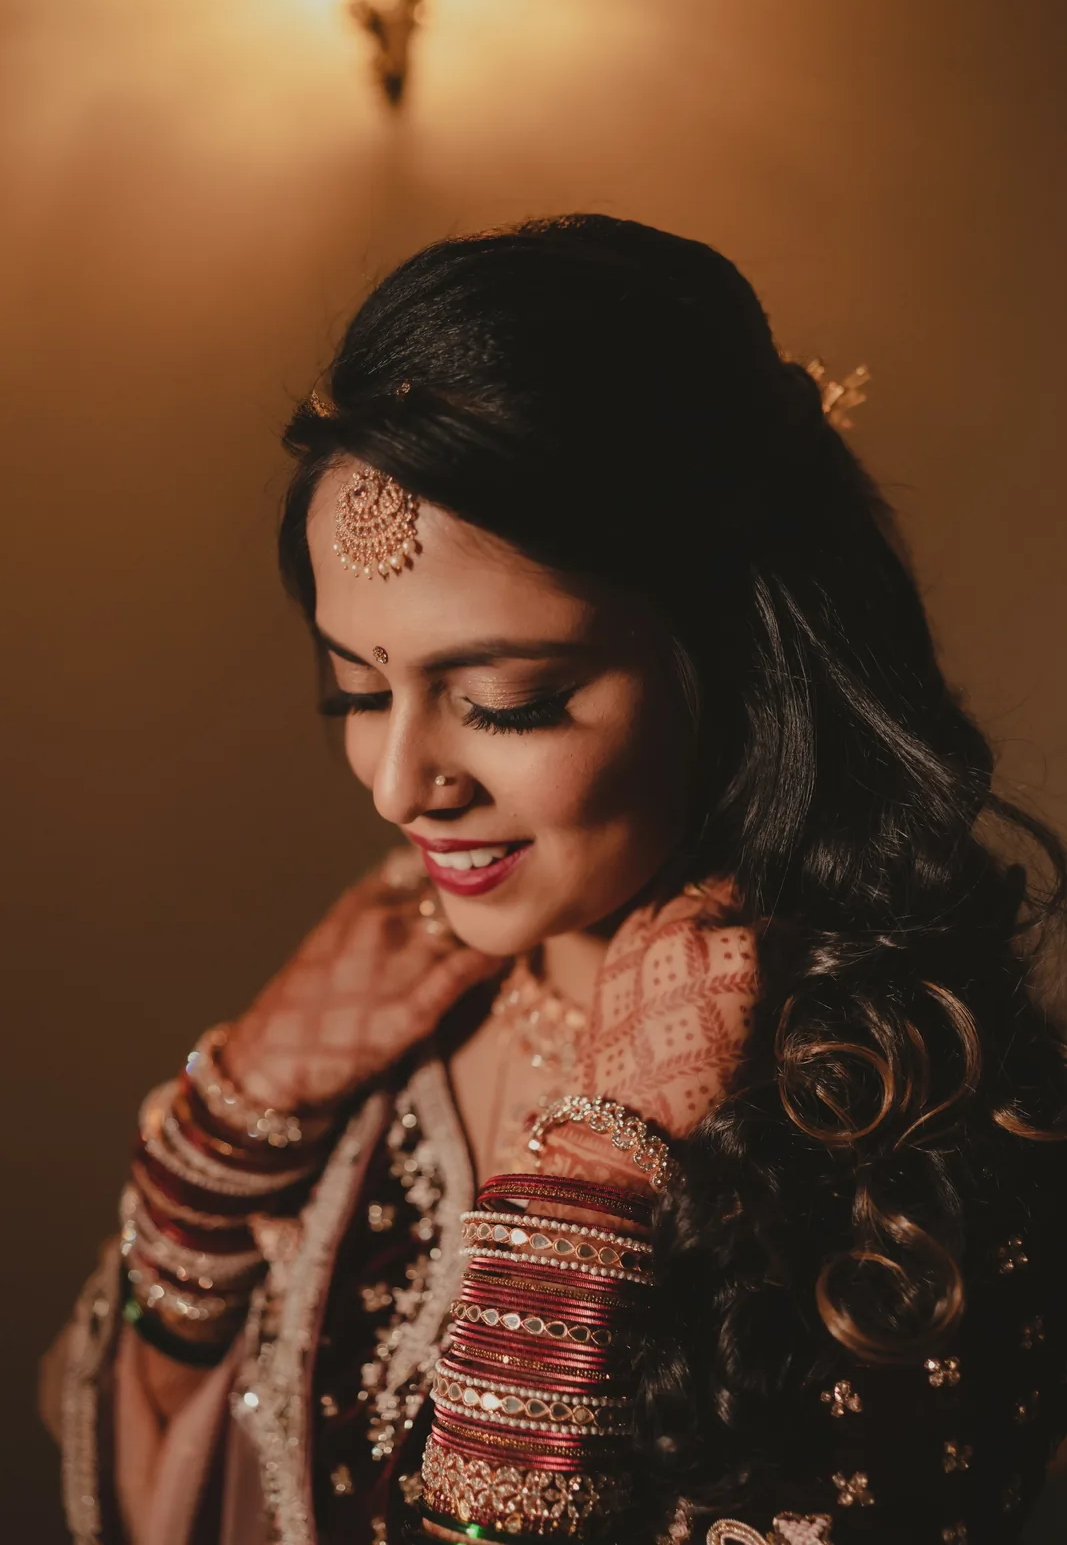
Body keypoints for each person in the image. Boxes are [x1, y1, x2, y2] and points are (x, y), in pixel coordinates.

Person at [44, 214, 1067, 1545]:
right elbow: (134, 1435)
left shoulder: (906, 1130)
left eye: (507, 701)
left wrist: (578, 1242)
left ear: (736, 673)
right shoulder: (387, 1002)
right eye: (354, 690)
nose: (400, 781)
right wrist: (220, 1149)